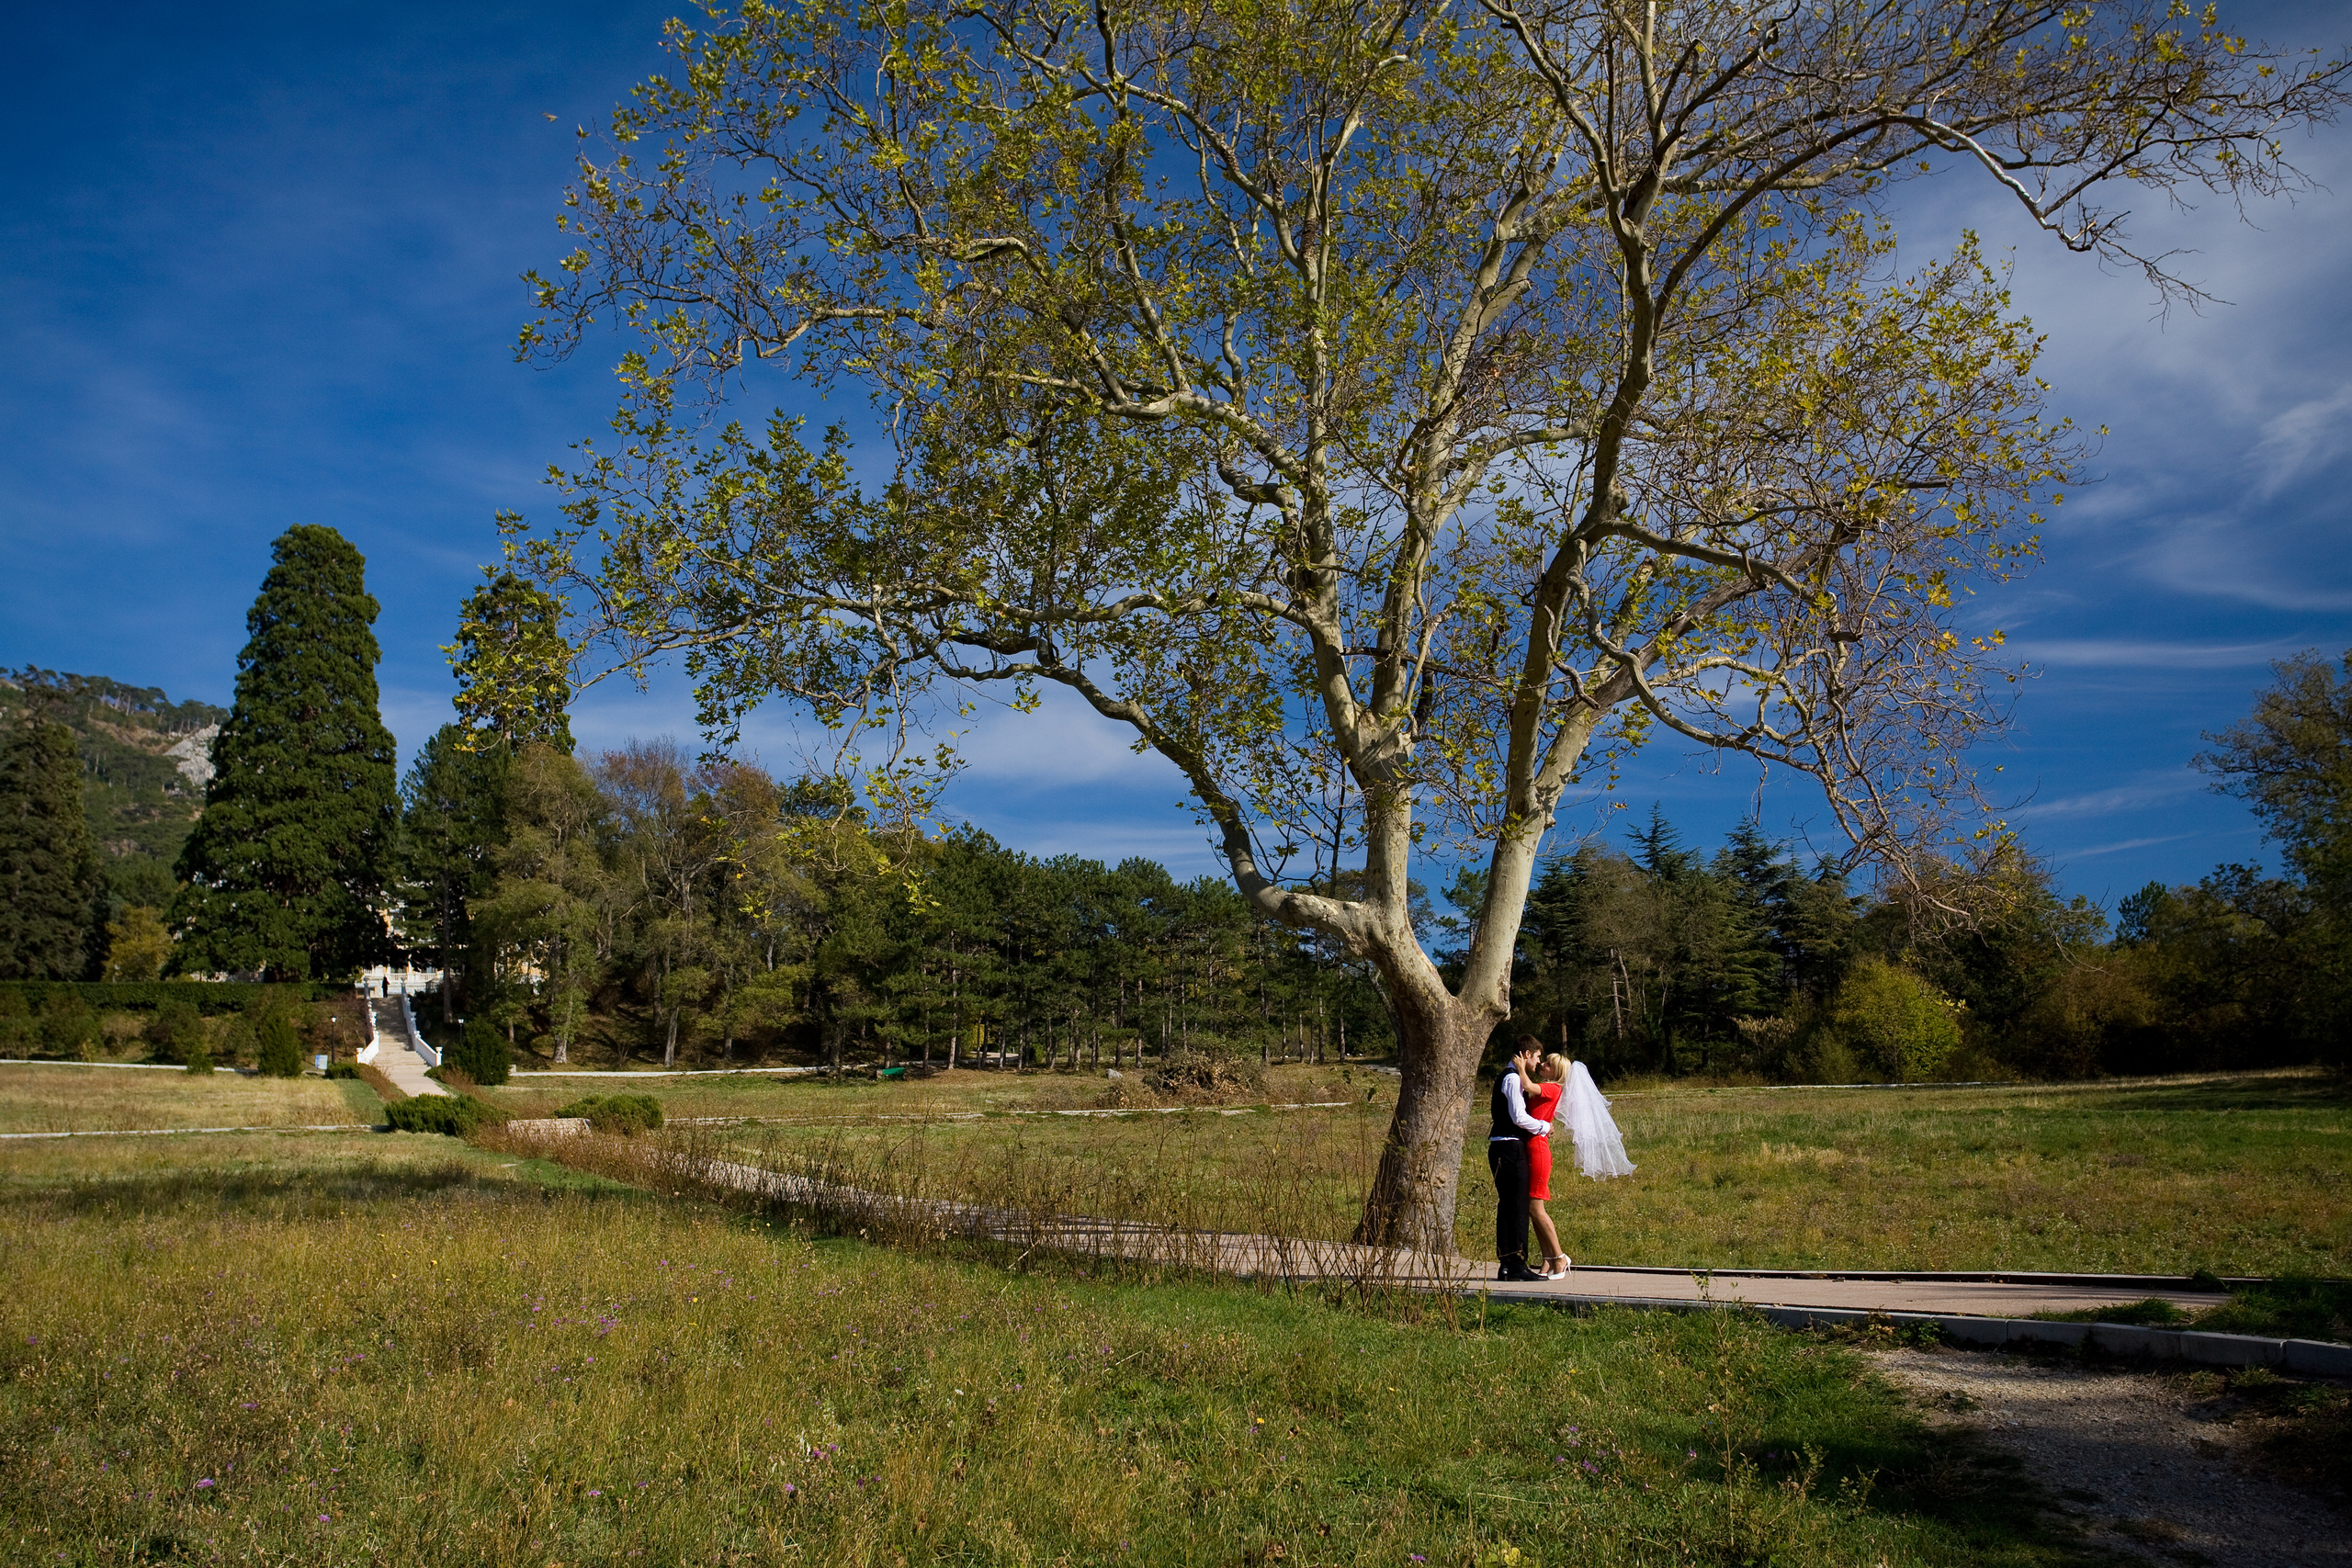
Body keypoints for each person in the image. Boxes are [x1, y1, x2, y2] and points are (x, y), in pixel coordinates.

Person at [1486, 1037, 1550, 1282]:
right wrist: (1544, 1127)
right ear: (1526, 1054)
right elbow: (1519, 1117)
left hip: (1501, 1146)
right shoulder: (1512, 1079)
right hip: (1510, 1147)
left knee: (1508, 1205)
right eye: (1537, 1057)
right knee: (1518, 1205)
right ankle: (1517, 1264)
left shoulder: (1509, 1076)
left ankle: (1507, 1263)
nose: (1538, 1062)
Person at [1526, 1053, 1572, 1278]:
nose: (1543, 1065)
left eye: (1548, 1064)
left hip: (1538, 1150)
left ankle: (1559, 1256)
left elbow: (1527, 1086)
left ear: (1556, 1072)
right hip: (1531, 1147)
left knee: (1536, 1207)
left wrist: (1519, 1065)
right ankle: (1548, 1259)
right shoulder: (1547, 1087)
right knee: (1531, 1208)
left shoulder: (1552, 1088)